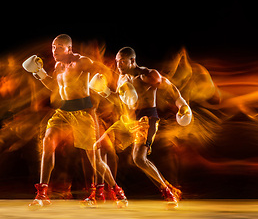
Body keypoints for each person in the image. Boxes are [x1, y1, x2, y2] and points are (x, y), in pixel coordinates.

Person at [23, 34, 128, 210]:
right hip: (63, 112)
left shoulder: (81, 62)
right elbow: (55, 86)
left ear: (69, 49)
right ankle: (42, 194)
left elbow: (105, 70)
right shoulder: (58, 65)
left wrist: (116, 89)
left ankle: (117, 191)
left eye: (59, 47)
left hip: (83, 113)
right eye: (53, 47)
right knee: (47, 141)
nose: (55, 50)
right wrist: (40, 73)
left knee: (94, 160)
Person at [91, 47, 192, 208]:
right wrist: (104, 91)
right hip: (126, 121)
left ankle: (167, 191)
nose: (119, 65)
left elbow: (170, 87)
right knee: (97, 147)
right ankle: (115, 191)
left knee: (138, 158)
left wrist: (182, 106)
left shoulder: (148, 75)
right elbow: (119, 99)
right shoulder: (122, 79)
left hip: (146, 121)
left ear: (132, 60)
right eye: (117, 62)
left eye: (122, 61)